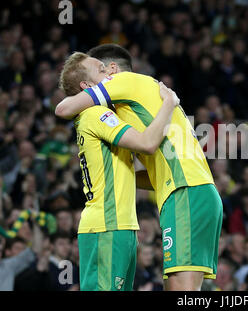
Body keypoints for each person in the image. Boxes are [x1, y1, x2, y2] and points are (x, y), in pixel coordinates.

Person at [56, 44, 223, 291]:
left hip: (184, 191)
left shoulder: (124, 84)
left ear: (113, 70)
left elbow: (64, 108)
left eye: (103, 69)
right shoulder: (129, 109)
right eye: (99, 70)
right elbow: (139, 165)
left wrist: (170, 103)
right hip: (187, 192)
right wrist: (169, 104)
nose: (106, 75)